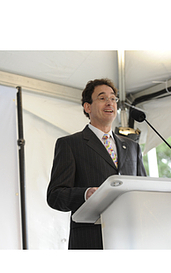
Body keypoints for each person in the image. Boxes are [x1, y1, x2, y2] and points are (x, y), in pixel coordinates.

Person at [47, 78, 147, 249]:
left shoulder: (132, 147)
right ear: (87, 107)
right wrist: (86, 194)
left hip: (130, 240)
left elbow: (143, 191)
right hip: (90, 240)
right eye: (102, 98)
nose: (110, 102)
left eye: (113, 98)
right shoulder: (70, 144)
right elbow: (55, 196)